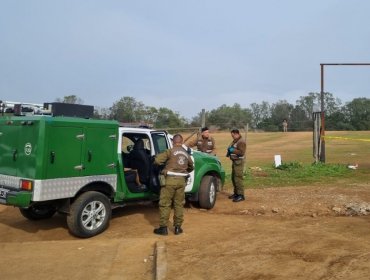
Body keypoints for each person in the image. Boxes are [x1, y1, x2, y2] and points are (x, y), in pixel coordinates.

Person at [153, 134, 194, 235]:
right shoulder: (185, 153)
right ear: (181, 141)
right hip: (181, 181)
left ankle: (163, 228)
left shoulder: (169, 151)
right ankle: (177, 228)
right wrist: (182, 170)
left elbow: (157, 161)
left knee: (165, 204)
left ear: (173, 142)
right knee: (178, 204)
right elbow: (191, 167)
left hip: (169, 181)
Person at [226, 129, 246, 202]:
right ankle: (236, 193)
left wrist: (232, 150)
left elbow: (241, 152)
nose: (232, 137)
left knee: (238, 178)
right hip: (235, 161)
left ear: (236, 134)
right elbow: (232, 147)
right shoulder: (235, 141)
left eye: (233, 135)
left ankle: (241, 195)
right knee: (234, 178)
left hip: (239, 162)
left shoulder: (241, 142)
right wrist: (229, 151)